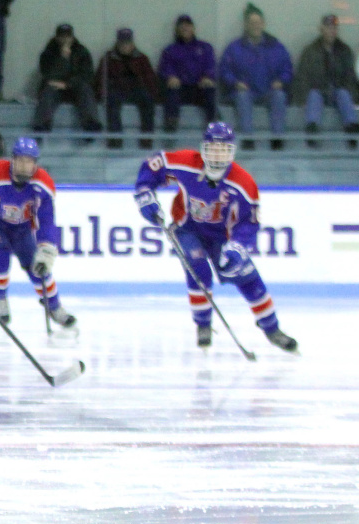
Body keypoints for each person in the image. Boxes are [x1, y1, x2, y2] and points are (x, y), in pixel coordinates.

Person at [133, 121, 297, 352]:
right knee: (197, 267)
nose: (217, 155)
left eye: (223, 149)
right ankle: (203, 325)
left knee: (247, 277)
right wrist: (144, 193)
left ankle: (272, 329)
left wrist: (238, 248)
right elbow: (153, 165)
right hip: (187, 228)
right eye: (213, 148)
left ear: (232, 152)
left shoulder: (244, 183)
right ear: (203, 148)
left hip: (223, 237)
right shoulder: (187, 162)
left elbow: (248, 223)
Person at [0, 137, 76, 328]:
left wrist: (46, 248)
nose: (25, 166)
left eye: (30, 161)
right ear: (13, 159)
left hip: (21, 227)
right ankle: (0, 302)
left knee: (38, 266)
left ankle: (55, 307)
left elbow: (46, 220)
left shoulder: (42, 184)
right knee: (0, 256)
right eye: (22, 160)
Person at [218, 3, 293, 150]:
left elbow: (287, 68)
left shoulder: (276, 46)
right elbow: (224, 70)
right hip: (245, 91)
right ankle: (248, 138)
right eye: (252, 23)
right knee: (242, 97)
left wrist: (281, 81)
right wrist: (235, 82)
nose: (255, 26)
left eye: (258, 22)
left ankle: (277, 138)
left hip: (269, 90)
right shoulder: (234, 47)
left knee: (279, 96)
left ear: (263, 24)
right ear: (246, 25)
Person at [293, 14, 359, 148]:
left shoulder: (344, 51)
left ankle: (351, 127)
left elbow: (350, 77)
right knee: (313, 95)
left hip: (338, 91)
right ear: (321, 29)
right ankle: (312, 128)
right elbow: (303, 76)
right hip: (318, 91)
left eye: (334, 28)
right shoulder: (310, 51)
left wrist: (353, 96)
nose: (332, 31)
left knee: (343, 94)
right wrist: (302, 98)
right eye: (329, 28)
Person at [32, 24, 102, 140]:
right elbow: (48, 74)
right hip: (55, 87)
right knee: (48, 91)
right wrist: (63, 59)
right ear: (57, 38)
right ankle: (41, 126)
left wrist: (68, 84)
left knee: (86, 90)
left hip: (74, 86)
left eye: (68, 37)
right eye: (62, 37)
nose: (65, 40)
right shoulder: (48, 53)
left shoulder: (82, 52)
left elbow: (87, 75)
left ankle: (90, 125)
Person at [96, 28, 158, 149]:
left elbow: (150, 79)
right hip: (117, 90)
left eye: (127, 43)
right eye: (122, 43)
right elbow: (100, 79)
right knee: (112, 102)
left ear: (132, 43)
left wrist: (153, 95)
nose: (125, 46)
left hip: (136, 89)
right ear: (117, 44)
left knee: (148, 101)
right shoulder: (108, 59)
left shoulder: (142, 58)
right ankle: (116, 140)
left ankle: (147, 139)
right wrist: (101, 94)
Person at [159, 14, 217, 133]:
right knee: (171, 90)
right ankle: (171, 124)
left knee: (210, 89)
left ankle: (214, 124)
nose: (185, 29)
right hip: (180, 89)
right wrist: (171, 77)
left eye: (188, 26)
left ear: (193, 28)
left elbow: (210, 65)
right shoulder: (170, 50)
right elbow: (165, 68)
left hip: (199, 88)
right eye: (182, 27)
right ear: (177, 30)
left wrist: (207, 77)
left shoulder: (205, 48)